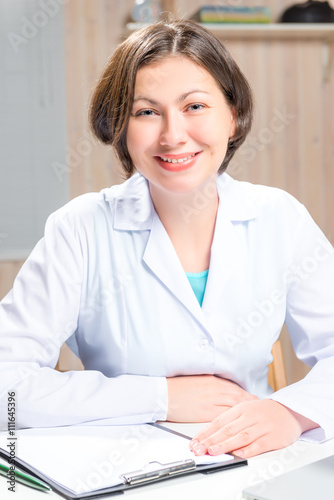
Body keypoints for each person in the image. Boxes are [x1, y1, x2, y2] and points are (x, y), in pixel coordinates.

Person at [0, 20, 333, 459]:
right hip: (122, 469)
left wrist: (291, 413)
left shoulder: (280, 218)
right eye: (146, 112)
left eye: (195, 106)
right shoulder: (79, 228)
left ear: (233, 116)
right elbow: (7, 384)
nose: (173, 135)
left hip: (254, 463)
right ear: (120, 128)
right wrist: (160, 397)